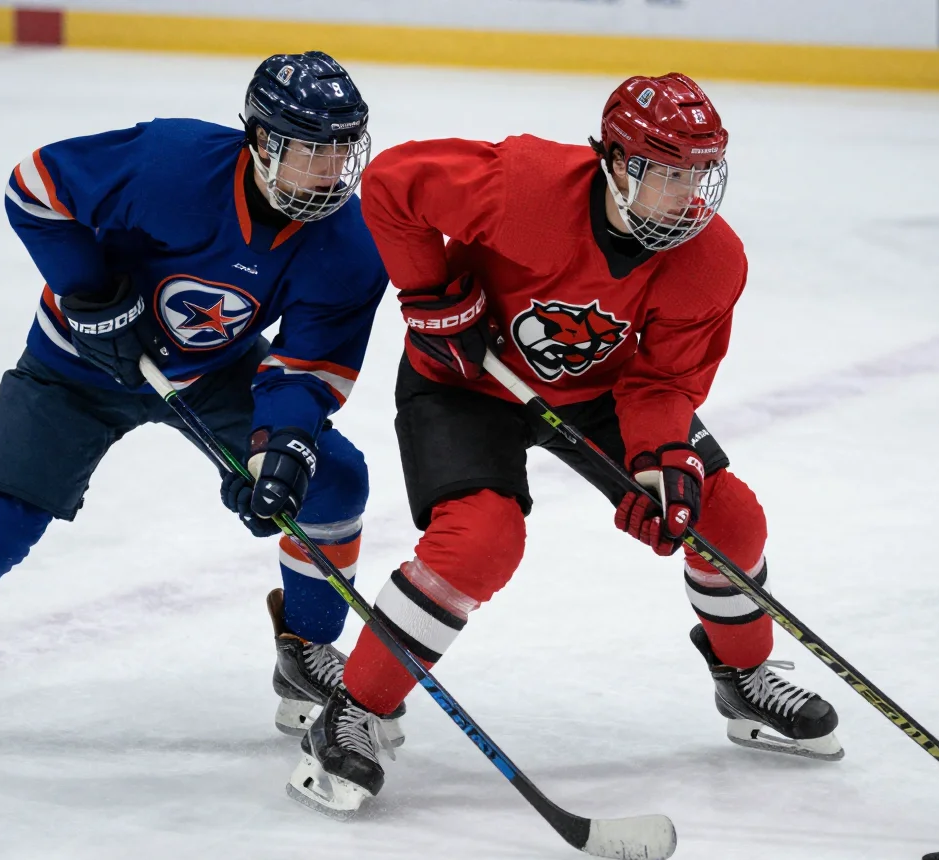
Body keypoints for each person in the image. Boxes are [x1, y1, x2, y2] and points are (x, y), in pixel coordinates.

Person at [0, 51, 401, 751]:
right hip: (74, 364)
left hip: (212, 372)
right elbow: (33, 189)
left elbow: (308, 369)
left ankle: (306, 651)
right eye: (311, 151)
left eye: (341, 151)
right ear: (262, 142)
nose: (331, 173)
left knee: (329, 480)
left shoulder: (350, 244)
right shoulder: (169, 164)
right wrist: (89, 294)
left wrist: (280, 451)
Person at [287, 73, 840, 818]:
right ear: (615, 161)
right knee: (479, 542)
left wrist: (659, 462)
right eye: (668, 174)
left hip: (601, 397)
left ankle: (743, 677)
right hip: (465, 381)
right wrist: (429, 297)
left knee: (726, 517)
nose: (689, 197)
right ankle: (354, 707)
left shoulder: (711, 260)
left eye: (701, 175)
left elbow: (664, 383)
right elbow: (390, 184)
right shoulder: (523, 187)